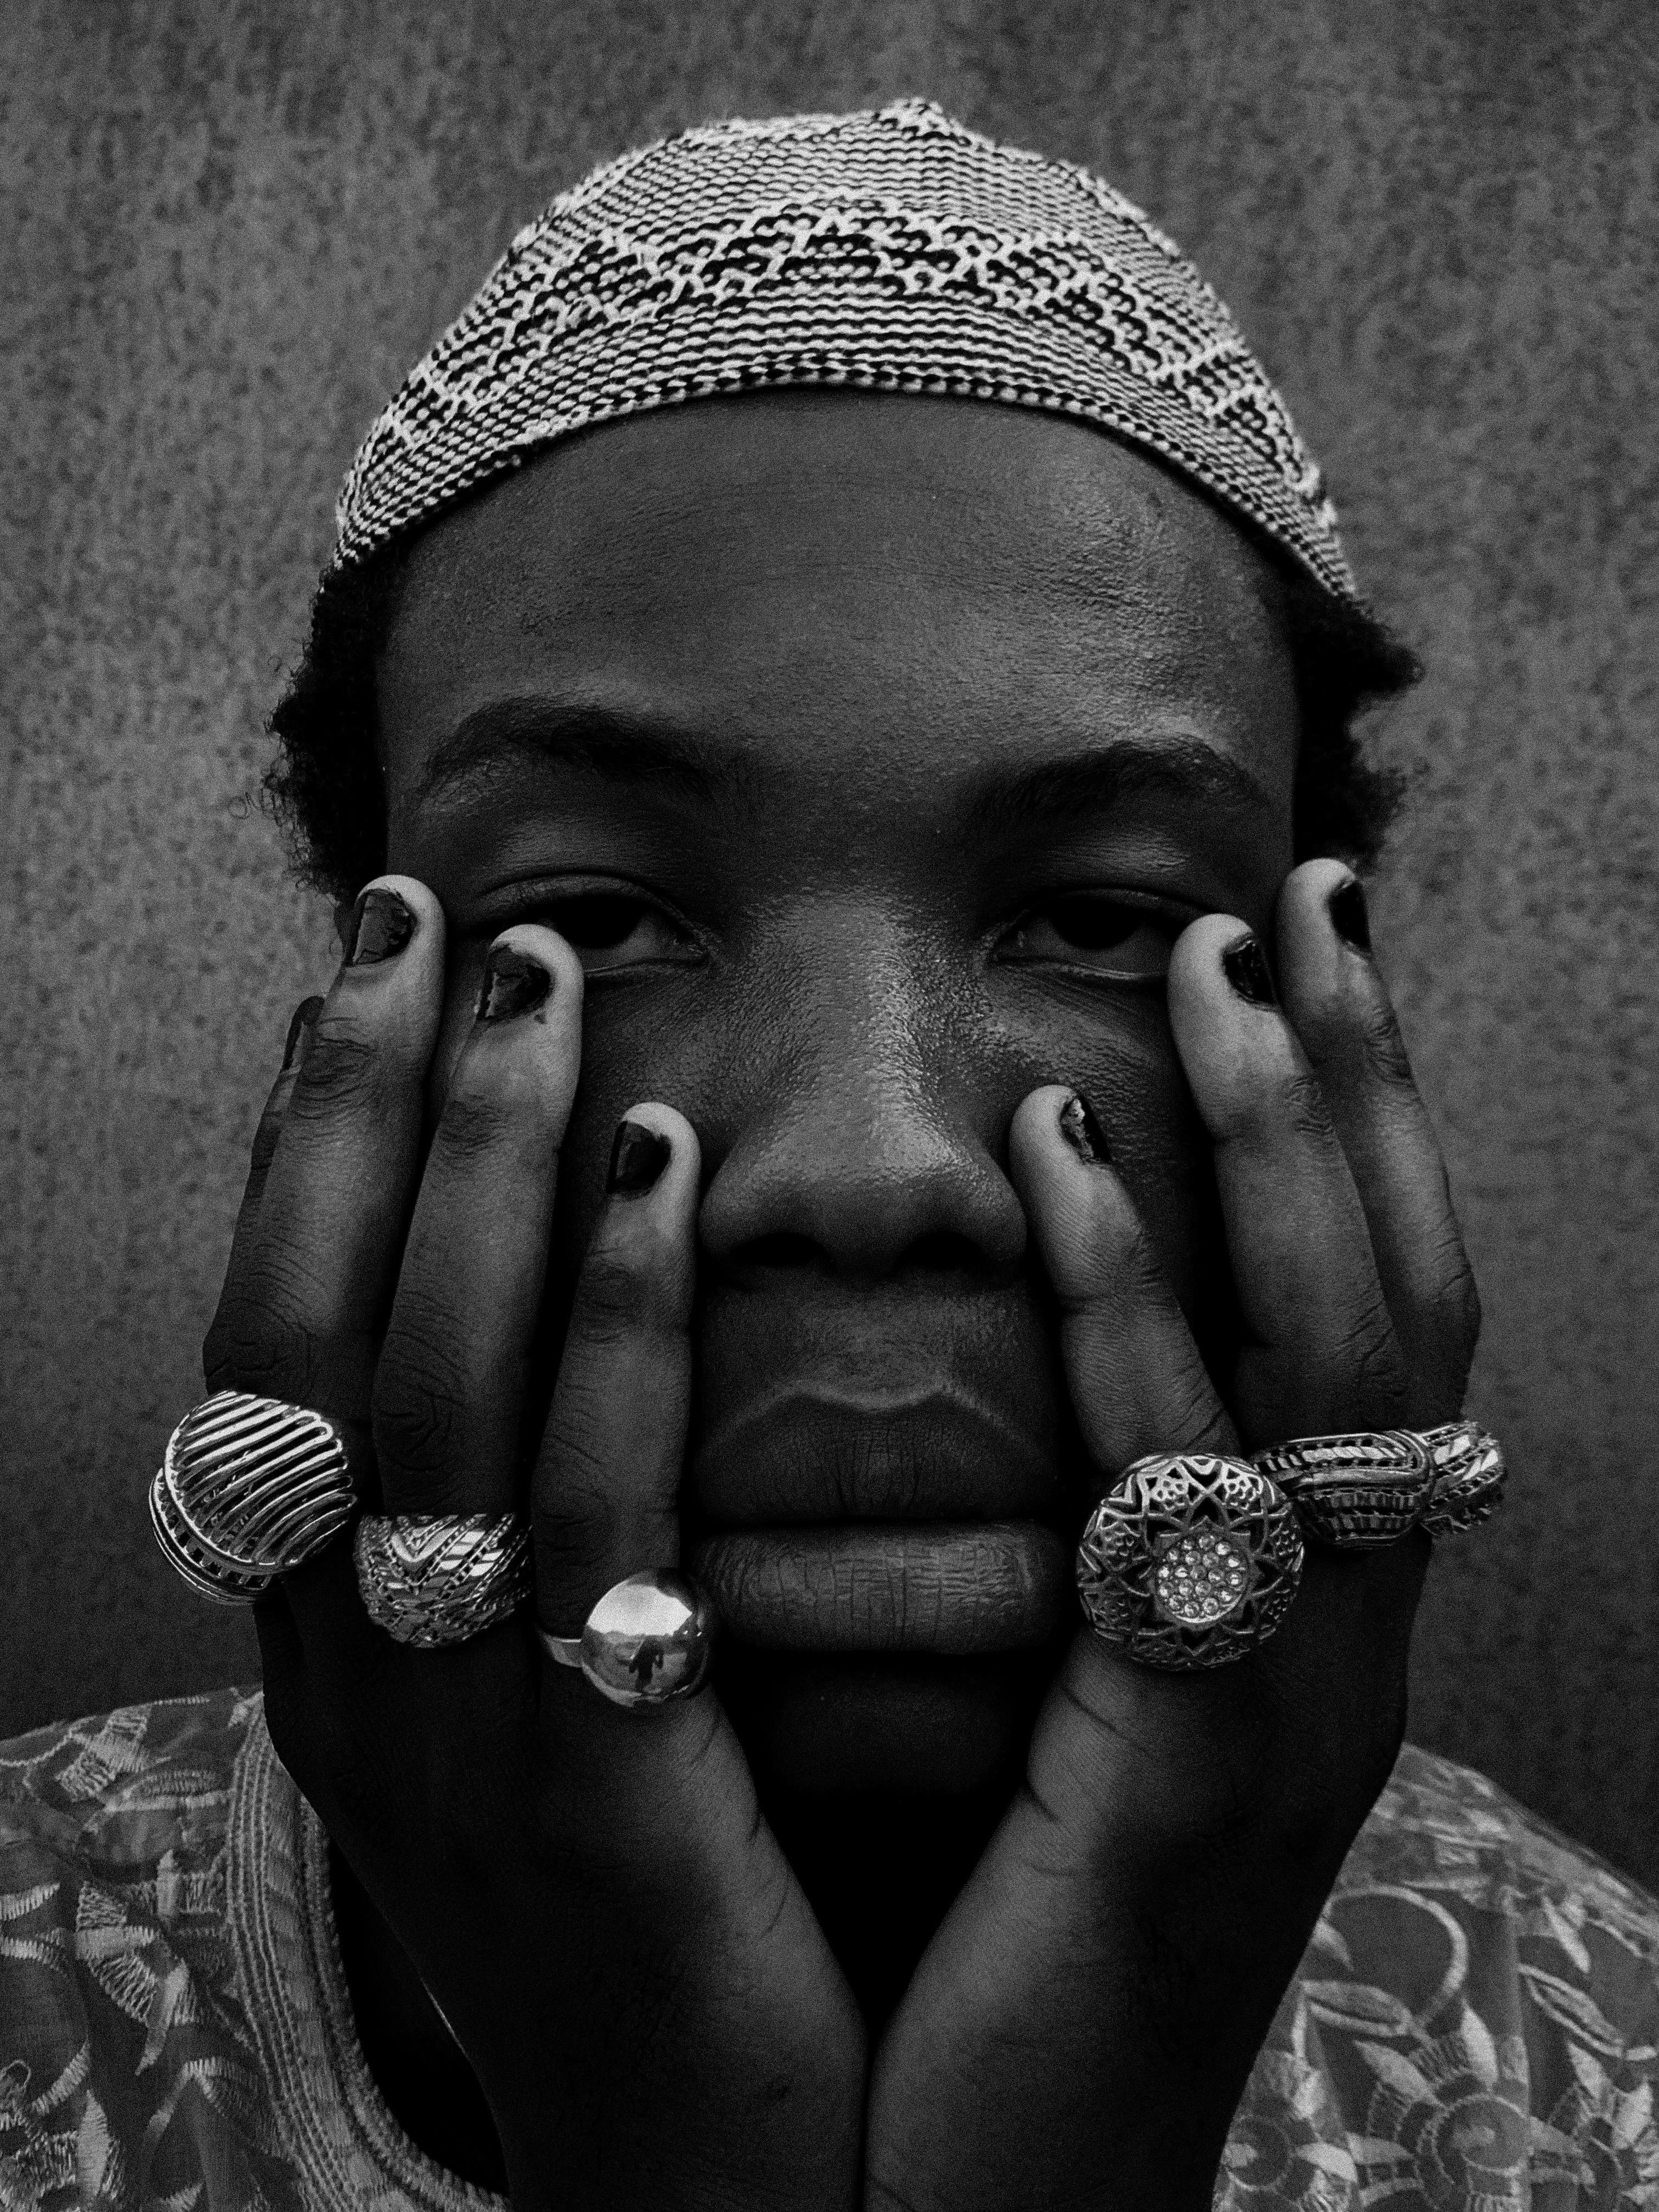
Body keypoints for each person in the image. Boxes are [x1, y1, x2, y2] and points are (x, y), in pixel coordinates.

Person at [3, 98, 1655, 2212]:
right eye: (591, 921)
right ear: (360, 1047)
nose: (868, 1171)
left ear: (1328, 1058)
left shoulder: (1574, 2072)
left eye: (1095, 920)